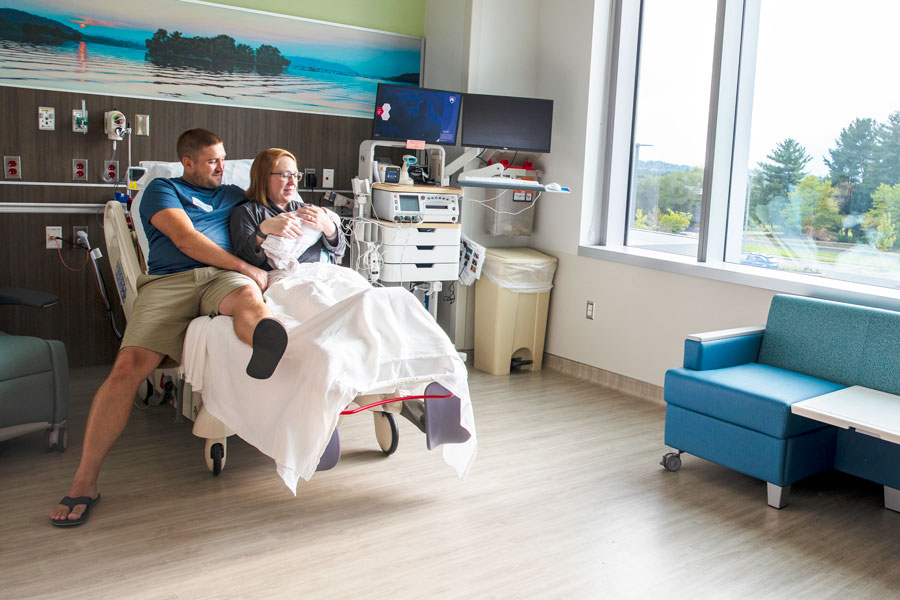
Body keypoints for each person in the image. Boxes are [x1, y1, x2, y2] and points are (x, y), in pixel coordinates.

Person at [49, 129, 288, 527]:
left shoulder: (233, 195)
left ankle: (265, 342)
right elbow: (185, 239)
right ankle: (85, 482)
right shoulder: (162, 189)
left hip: (223, 279)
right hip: (169, 282)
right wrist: (246, 268)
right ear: (188, 162)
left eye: (223, 159)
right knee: (127, 367)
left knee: (248, 302)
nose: (221, 167)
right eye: (212, 161)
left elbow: (270, 208)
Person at [230, 148, 346, 268]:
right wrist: (263, 231)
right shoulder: (248, 213)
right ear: (263, 178)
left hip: (323, 272)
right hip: (285, 277)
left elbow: (339, 251)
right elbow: (245, 261)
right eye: (285, 175)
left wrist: (329, 228)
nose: (293, 182)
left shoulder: (308, 209)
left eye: (295, 175)